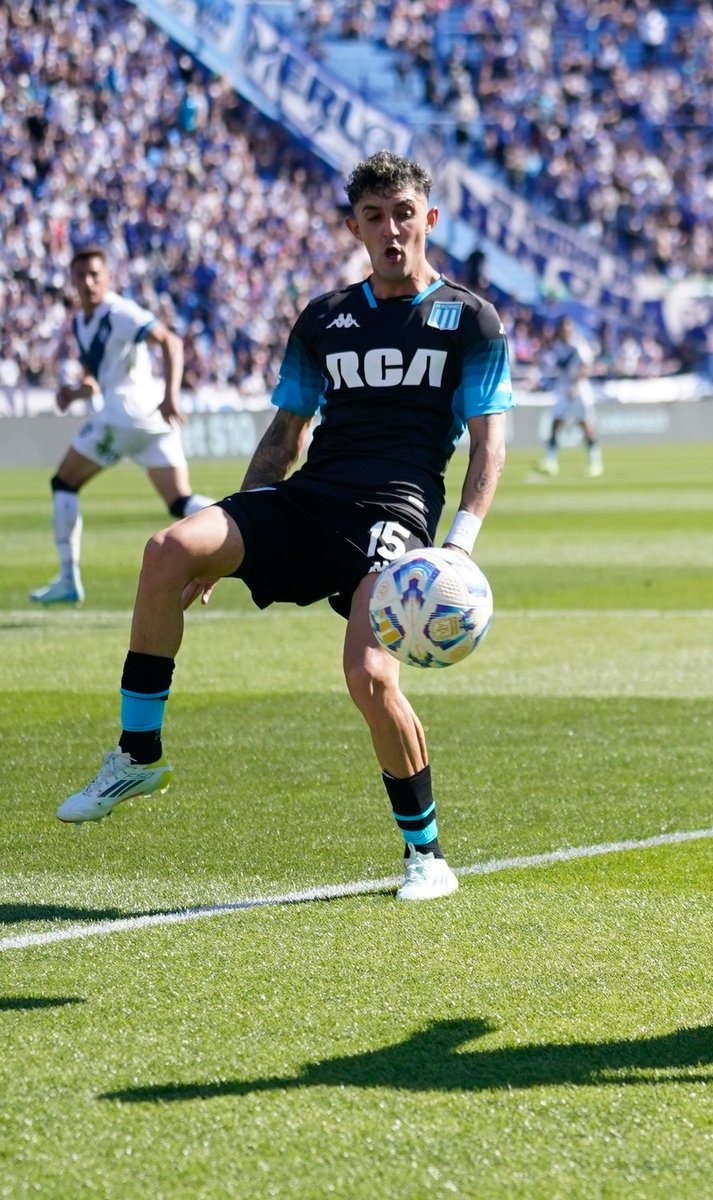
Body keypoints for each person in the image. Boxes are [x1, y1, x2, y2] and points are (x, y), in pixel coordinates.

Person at [55, 151, 513, 902]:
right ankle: (138, 756)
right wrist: (230, 529)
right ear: (354, 228)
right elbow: (285, 436)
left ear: (429, 219)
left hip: (395, 515)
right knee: (169, 548)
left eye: (404, 213)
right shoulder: (325, 318)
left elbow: (490, 445)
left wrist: (458, 544)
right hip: (310, 498)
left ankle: (427, 855)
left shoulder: (469, 320)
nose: (391, 229)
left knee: (370, 677)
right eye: (374, 216)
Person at [29, 247, 213, 607]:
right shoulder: (81, 323)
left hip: (125, 415)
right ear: (72, 281)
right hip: (153, 421)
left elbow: (171, 341)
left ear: (107, 278)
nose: (88, 282)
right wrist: (74, 393)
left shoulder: (119, 312)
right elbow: (96, 381)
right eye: (81, 276)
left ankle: (68, 580)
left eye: (95, 275)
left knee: (63, 482)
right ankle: (245, 527)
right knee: (180, 501)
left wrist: (171, 395)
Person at [535, 315, 602, 477]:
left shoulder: (579, 345)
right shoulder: (557, 346)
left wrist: (574, 385)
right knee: (556, 422)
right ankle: (551, 460)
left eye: (568, 327)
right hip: (563, 388)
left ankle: (595, 461)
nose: (566, 330)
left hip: (579, 389)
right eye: (564, 327)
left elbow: (585, 368)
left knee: (584, 423)